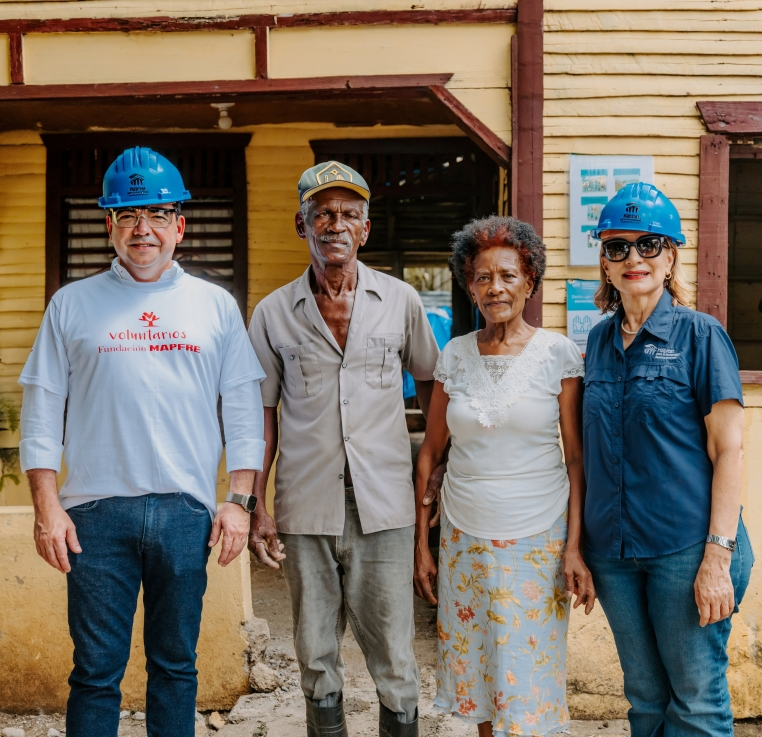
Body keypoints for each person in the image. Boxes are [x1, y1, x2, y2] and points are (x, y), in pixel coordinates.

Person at [19, 147, 266, 737]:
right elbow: (42, 410)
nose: (142, 229)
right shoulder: (71, 305)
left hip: (185, 514)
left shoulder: (214, 306)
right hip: (94, 516)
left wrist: (239, 501)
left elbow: (243, 409)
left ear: (180, 225)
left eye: (156, 214)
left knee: (176, 667)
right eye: (127, 215)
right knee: (95, 673)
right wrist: (47, 507)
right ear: (109, 225)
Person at [247, 161, 440, 737]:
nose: (336, 224)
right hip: (307, 505)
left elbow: (431, 384)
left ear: (365, 229)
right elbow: (262, 415)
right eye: (323, 213)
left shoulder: (401, 300)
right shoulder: (273, 312)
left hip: (385, 505)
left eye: (349, 214)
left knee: (395, 654)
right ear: (301, 225)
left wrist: (433, 467)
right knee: (315, 652)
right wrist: (255, 503)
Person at [414, 216, 595, 737]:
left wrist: (574, 547)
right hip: (464, 540)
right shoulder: (455, 355)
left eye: (508, 275)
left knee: (528, 680)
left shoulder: (557, 354)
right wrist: (421, 545)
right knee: (481, 677)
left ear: (529, 281)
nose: (495, 287)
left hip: (538, 539)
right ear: (469, 286)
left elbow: (576, 459)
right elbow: (430, 453)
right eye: (482, 277)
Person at [583, 183, 753, 736]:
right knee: (645, 699)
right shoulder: (597, 342)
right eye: (617, 247)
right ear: (605, 262)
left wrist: (717, 557)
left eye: (649, 244)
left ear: (671, 255)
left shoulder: (701, 335)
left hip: (687, 549)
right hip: (613, 553)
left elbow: (728, 449)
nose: (633, 258)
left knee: (696, 701)